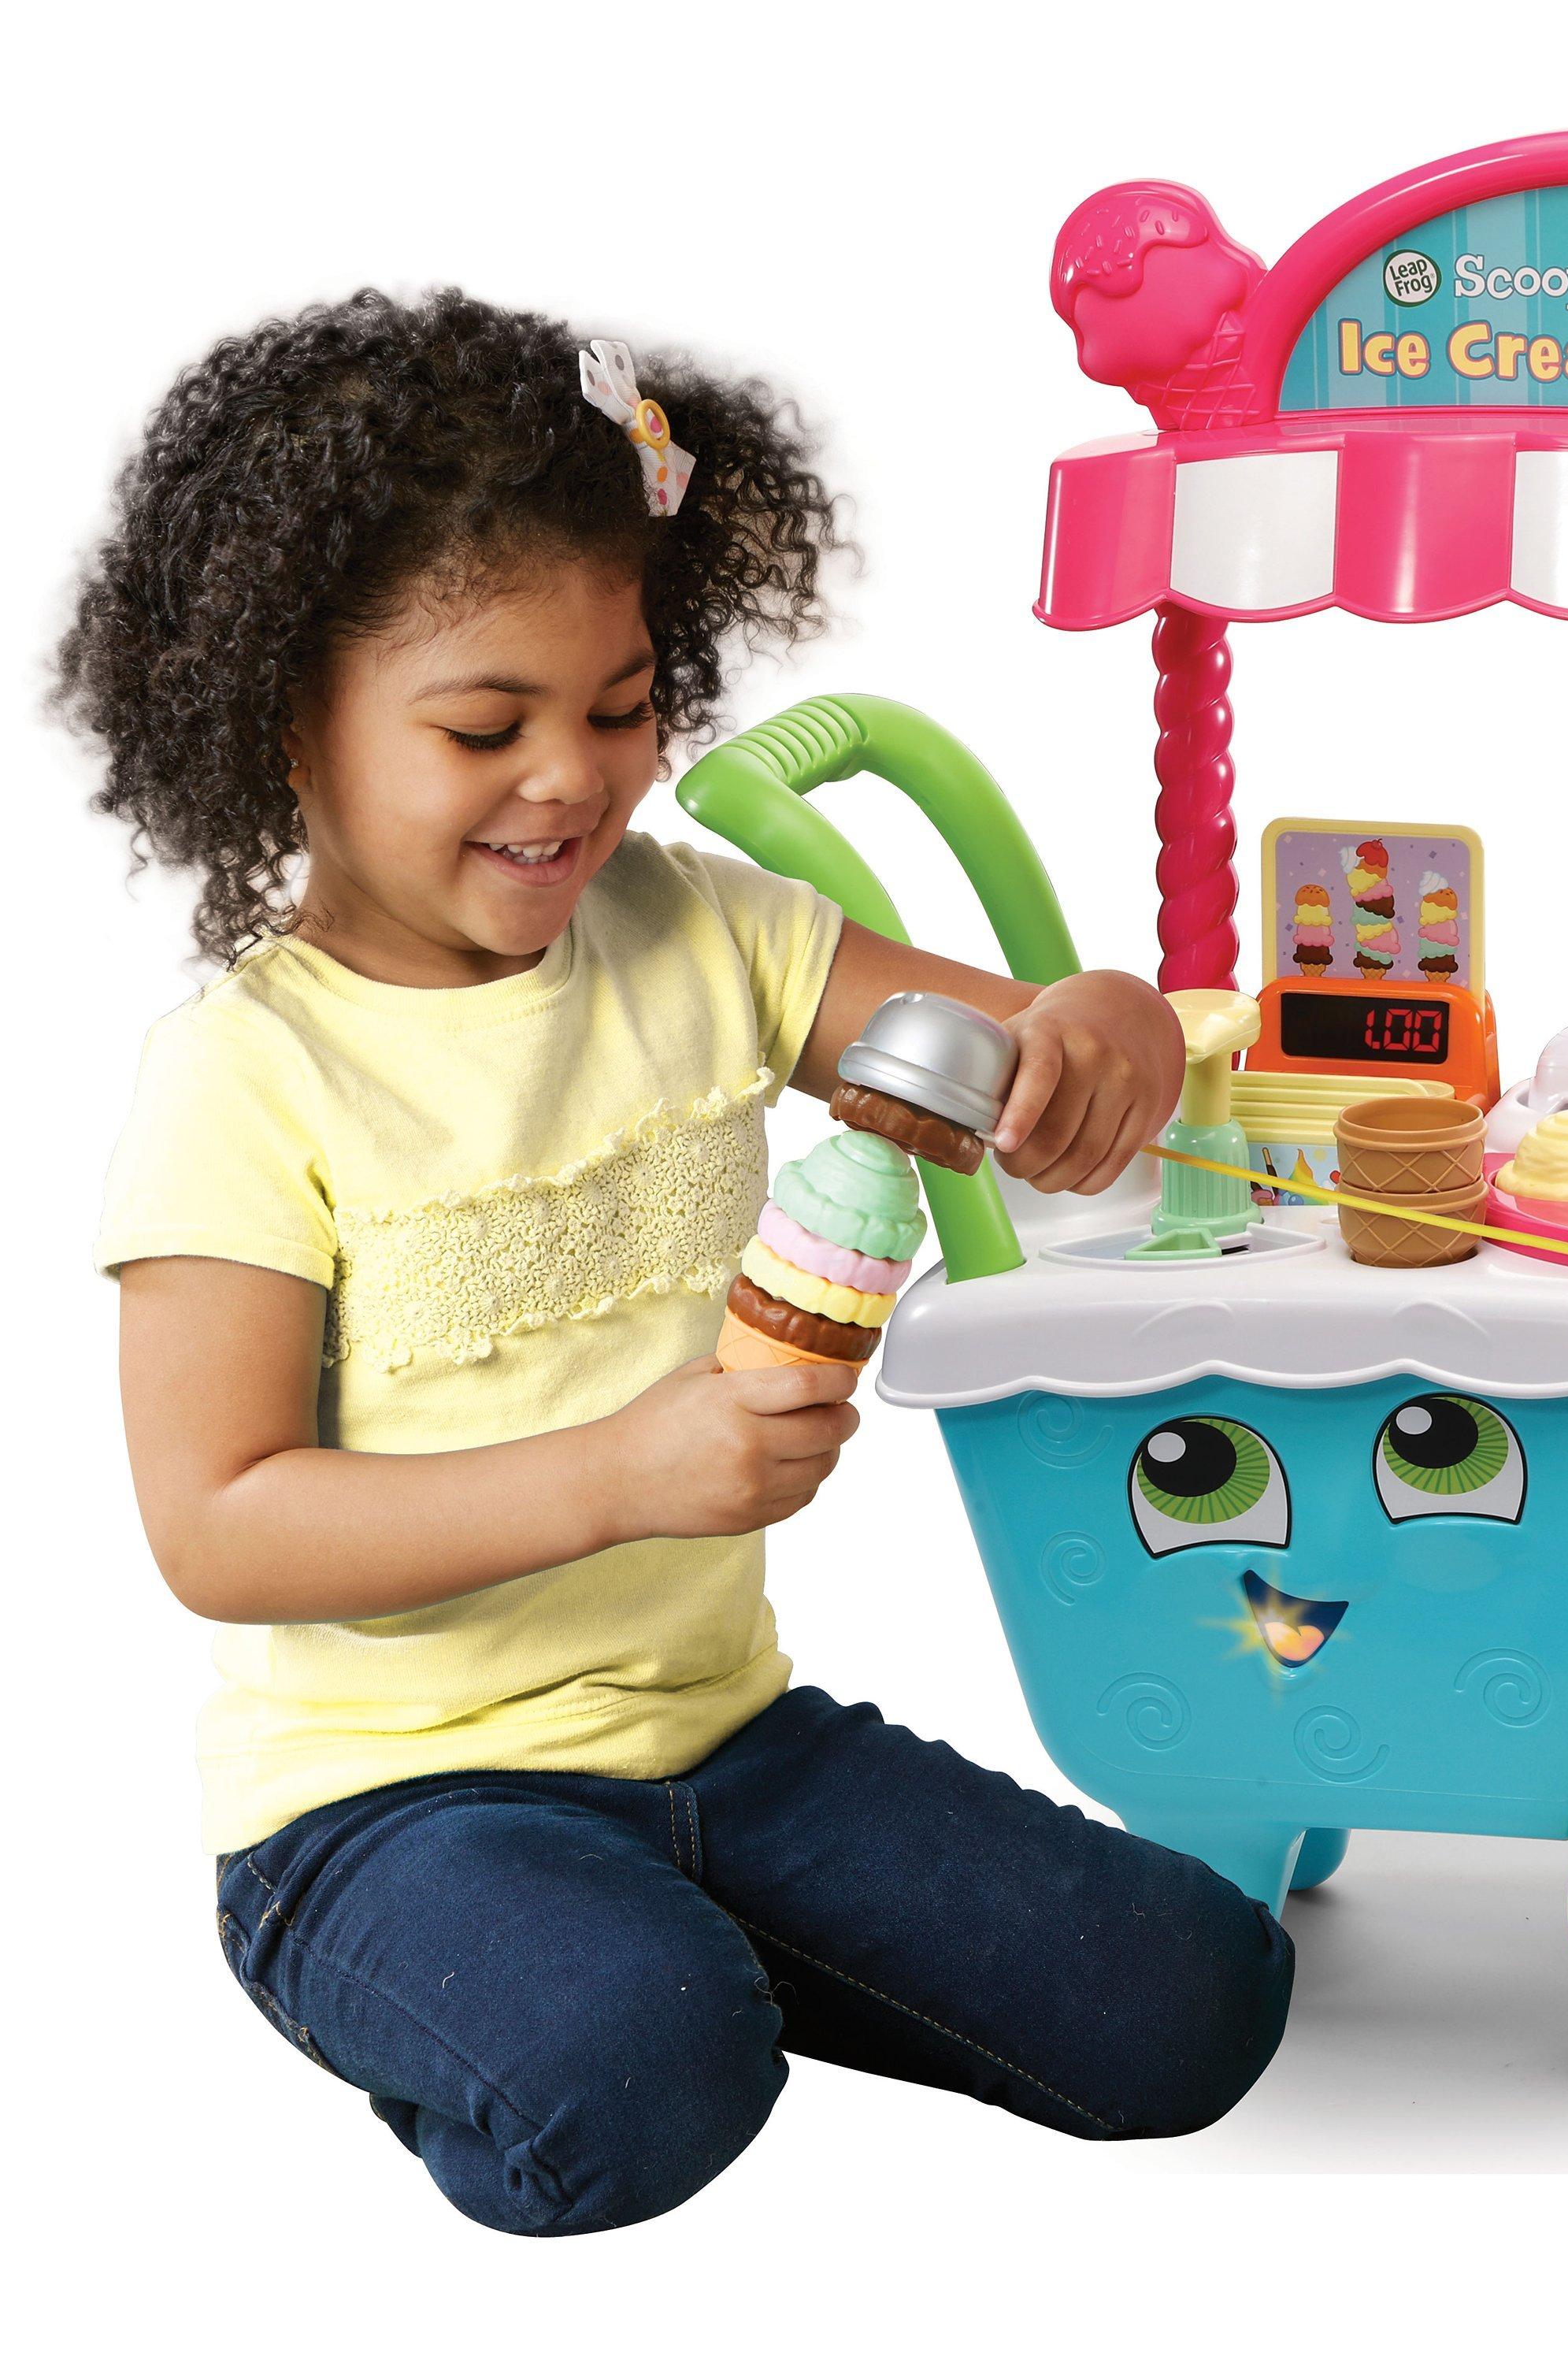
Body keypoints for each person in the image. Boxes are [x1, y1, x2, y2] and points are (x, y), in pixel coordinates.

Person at [65, 289, 1291, 2235]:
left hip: (726, 1739)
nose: (573, 775)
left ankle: (660, 1945)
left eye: (622, 706)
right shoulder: (248, 1077)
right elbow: (220, 1524)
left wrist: (1103, 1018)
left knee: (1196, 2002)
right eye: (487, 726)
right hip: (385, 1807)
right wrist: (619, 1476)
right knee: (636, 2080)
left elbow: (995, 1041)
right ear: (286, 719)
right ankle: (528, 1985)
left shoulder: (704, 931)